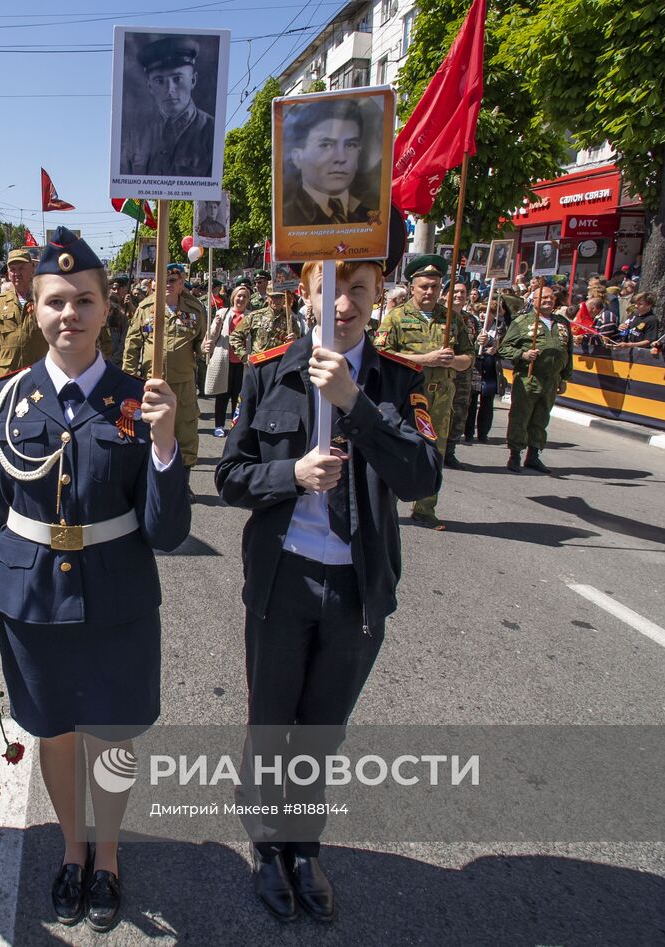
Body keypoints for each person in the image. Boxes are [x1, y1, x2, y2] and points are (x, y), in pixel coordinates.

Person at [0, 227, 191, 932]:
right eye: (55, 301)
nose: (69, 314)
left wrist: (166, 444)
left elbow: (168, 531)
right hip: (30, 602)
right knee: (55, 733)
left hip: (118, 599)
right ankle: (72, 844)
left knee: (111, 736)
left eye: (83, 300)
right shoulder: (4, 403)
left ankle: (109, 853)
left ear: (106, 307)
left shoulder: (137, 400)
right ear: (33, 308)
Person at [215, 254, 441, 925]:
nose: (344, 304)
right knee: (271, 722)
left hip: (355, 588)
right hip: (282, 581)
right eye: (330, 290)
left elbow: (423, 477)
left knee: (321, 730)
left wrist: (355, 404)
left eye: (359, 290)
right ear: (307, 297)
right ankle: (266, 844)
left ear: (377, 297)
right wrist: (292, 473)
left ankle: (304, 848)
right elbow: (231, 476)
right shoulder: (267, 370)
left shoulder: (397, 380)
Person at [372, 255, 474, 530]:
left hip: (441, 397)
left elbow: (468, 358)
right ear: (413, 287)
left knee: (434, 453)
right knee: (399, 449)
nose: (430, 292)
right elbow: (381, 353)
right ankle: (386, 506)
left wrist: (452, 361)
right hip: (406, 397)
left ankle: (425, 509)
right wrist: (424, 359)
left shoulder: (453, 319)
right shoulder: (396, 317)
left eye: (435, 286)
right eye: (424, 286)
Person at [123, 264, 206, 468]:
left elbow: (200, 345)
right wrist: (128, 379)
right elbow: (132, 346)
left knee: (185, 432)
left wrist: (206, 347)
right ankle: (150, 479)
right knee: (149, 429)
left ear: (181, 284)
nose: (167, 285)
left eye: (172, 281)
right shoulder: (145, 308)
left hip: (183, 383)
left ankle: (183, 483)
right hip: (152, 383)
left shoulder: (195, 310)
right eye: (162, 281)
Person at [498, 284, 573, 473]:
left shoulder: (562, 323)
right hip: (528, 378)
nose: (548, 300)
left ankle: (533, 455)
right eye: (543, 298)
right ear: (534, 301)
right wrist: (523, 355)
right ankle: (515, 455)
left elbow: (568, 352)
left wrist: (564, 377)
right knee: (520, 417)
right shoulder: (522, 322)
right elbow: (504, 348)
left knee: (541, 417)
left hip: (551, 380)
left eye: (550, 297)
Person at [119, 36, 215, 178]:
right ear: (149, 86)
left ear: (193, 80)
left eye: (177, 79)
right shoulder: (136, 135)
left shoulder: (211, 130)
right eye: (159, 81)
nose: (170, 89)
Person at [282, 99, 375, 226]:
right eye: (326, 145)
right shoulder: (287, 218)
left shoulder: (372, 219)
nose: (341, 158)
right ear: (298, 157)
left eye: (350, 145)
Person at [0, 248, 42, 383]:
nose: (16, 273)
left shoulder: (44, 299)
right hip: (7, 376)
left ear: (32, 270)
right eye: (13, 269)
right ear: (8, 274)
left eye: (21, 268)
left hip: (38, 374)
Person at [207, 280, 252, 435]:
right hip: (224, 360)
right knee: (222, 394)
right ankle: (219, 425)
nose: (241, 299)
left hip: (242, 362)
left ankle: (235, 425)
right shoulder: (222, 313)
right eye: (239, 296)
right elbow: (212, 336)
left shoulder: (251, 317)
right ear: (233, 297)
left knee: (238, 396)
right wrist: (217, 325)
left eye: (244, 297)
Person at [444, 282, 481, 469]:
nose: (459, 295)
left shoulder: (471, 320)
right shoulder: (440, 315)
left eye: (462, 292)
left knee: (459, 411)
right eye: (455, 292)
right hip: (442, 372)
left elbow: (472, 348)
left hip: (463, 374)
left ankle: (449, 451)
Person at [465, 296, 505, 444]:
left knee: (487, 403)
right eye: (481, 311)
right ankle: (468, 432)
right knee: (471, 401)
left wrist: (497, 348)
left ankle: (483, 433)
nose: (483, 314)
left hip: (491, 368)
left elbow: (506, 347)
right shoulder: (474, 325)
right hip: (475, 366)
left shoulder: (501, 328)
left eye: (487, 312)